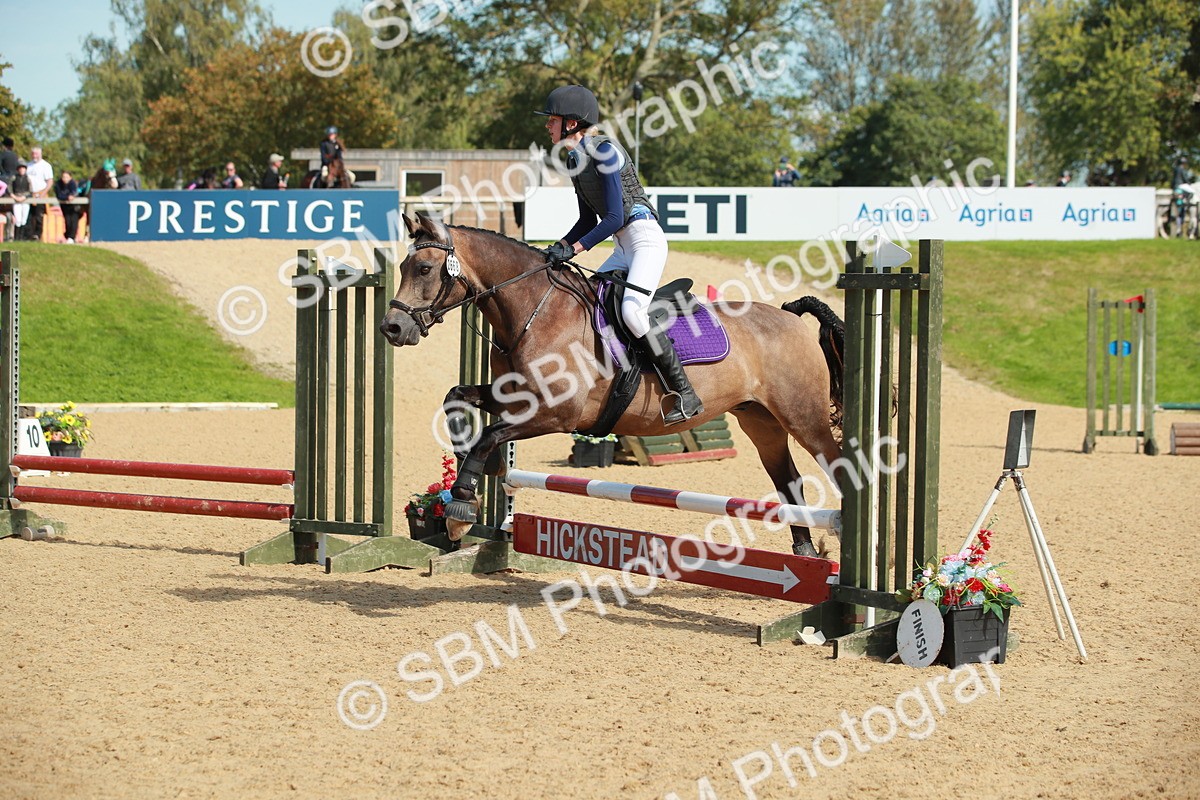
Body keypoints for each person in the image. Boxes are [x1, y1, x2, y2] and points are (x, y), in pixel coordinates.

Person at [535, 84, 702, 425]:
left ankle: (685, 393)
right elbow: (586, 219)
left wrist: (576, 248)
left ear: (571, 123)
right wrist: (559, 246)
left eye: (552, 120)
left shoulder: (606, 151)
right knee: (592, 302)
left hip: (644, 240)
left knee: (632, 313)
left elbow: (614, 217)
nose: (547, 127)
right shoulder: (575, 158)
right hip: (623, 246)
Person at [26, 147, 53, 241]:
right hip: (29, 194)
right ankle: (28, 235)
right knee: (29, 216)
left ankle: (37, 235)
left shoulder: (45, 165)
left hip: (40, 194)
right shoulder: (28, 165)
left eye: (36, 154)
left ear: (40, 154)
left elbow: (50, 181)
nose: (34, 156)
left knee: (38, 216)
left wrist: (43, 194)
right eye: (33, 154)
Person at [54, 170, 80, 243]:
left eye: (67, 177)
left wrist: (71, 196)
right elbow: (59, 195)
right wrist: (67, 197)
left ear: (70, 177)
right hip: (64, 205)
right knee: (67, 221)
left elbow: (74, 193)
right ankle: (68, 236)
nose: (65, 179)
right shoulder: (58, 184)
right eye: (63, 177)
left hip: (74, 206)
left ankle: (72, 237)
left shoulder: (73, 183)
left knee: (74, 221)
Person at [8, 161, 31, 240]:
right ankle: (16, 237)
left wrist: (24, 197)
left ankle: (22, 237)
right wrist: (13, 196)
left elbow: (30, 190)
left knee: (24, 219)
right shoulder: (14, 178)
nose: (22, 170)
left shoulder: (28, 178)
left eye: (23, 168)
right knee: (17, 219)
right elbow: (9, 188)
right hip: (16, 198)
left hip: (25, 199)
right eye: (20, 169)